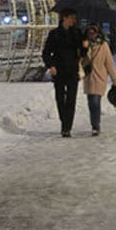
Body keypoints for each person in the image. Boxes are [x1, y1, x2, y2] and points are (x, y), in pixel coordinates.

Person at [42, 8, 89, 137]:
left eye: (74, 18)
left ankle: (67, 127)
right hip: (59, 70)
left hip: (73, 70)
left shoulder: (78, 33)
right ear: (65, 18)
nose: (74, 20)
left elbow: (82, 53)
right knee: (60, 98)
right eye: (72, 18)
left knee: (71, 99)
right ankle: (64, 120)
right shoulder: (55, 34)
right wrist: (51, 66)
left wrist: (85, 47)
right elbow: (46, 53)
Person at [81, 23, 116, 136]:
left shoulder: (103, 46)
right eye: (90, 33)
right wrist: (84, 50)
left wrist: (115, 80)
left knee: (95, 101)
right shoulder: (84, 46)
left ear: (98, 34)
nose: (92, 35)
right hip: (88, 77)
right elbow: (81, 62)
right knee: (91, 102)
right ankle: (94, 124)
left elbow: (109, 64)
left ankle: (95, 125)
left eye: (94, 33)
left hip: (99, 77)